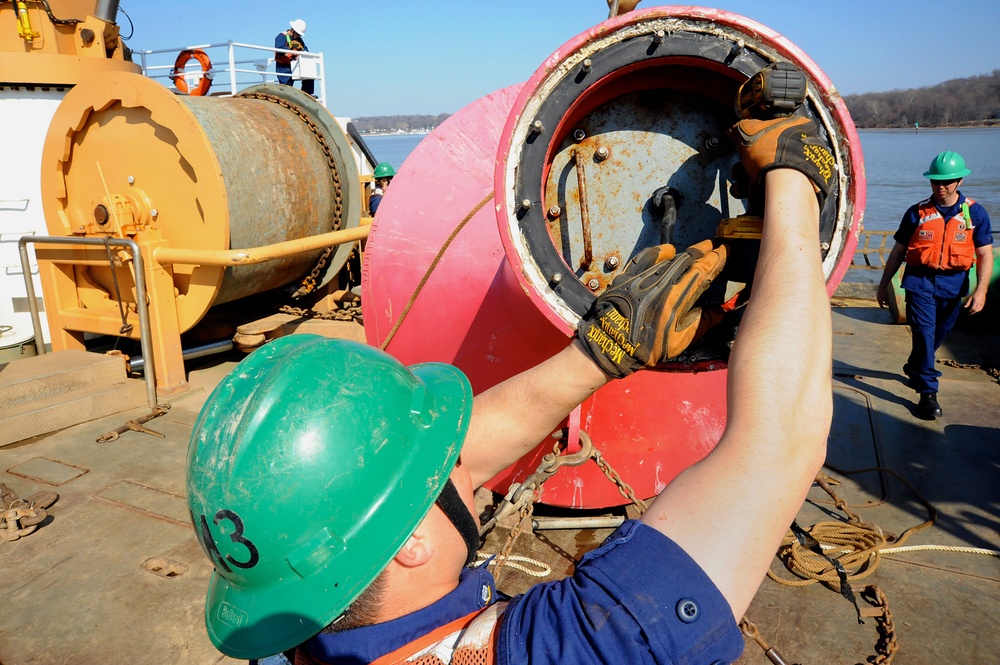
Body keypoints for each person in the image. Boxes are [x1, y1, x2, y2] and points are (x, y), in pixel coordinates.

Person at [186, 115, 834, 664]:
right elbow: (780, 440)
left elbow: (450, 467)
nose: (463, 458)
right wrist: (796, 190)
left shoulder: (296, 621)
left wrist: (600, 354)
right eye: (439, 467)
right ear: (409, 543)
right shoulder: (561, 649)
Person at [877, 151, 993, 420]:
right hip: (920, 282)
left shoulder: (975, 213)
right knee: (924, 333)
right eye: (935, 182)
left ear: (960, 181)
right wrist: (884, 285)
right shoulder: (916, 213)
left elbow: (985, 254)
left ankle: (916, 365)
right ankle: (928, 393)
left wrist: (982, 290)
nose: (941, 187)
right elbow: (897, 252)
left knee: (940, 333)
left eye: (947, 182)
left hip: (954, 285)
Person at [275, 19, 314, 96]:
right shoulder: (282, 36)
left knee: (309, 76)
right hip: (284, 67)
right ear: (293, 30)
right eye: (298, 34)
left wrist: (302, 53)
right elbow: (279, 49)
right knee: (286, 88)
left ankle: (306, 95)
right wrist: (292, 51)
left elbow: (305, 49)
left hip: (295, 65)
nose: (299, 36)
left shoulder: (299, 40)